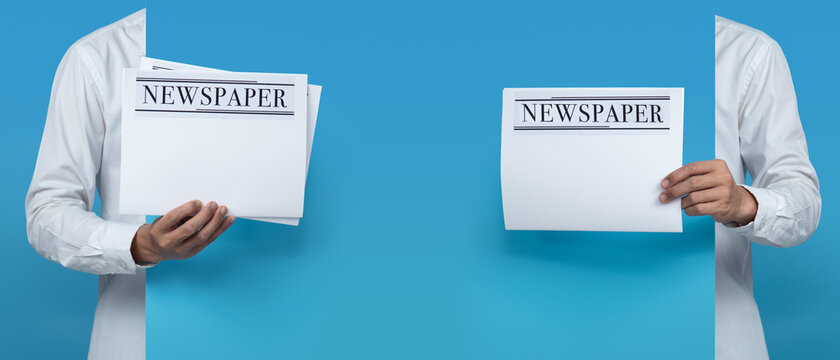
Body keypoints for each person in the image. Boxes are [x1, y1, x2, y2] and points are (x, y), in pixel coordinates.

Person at [24, 9, 235, 360]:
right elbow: (47, 214)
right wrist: (139, 244)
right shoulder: (100, 56)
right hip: (140, 338)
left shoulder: (303, 44)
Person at [658, 16, 821, 359]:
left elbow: (804, 203)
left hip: (715, 338)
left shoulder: (746, 52)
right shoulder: (547, 43)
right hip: (564, 325)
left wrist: (741, 204)